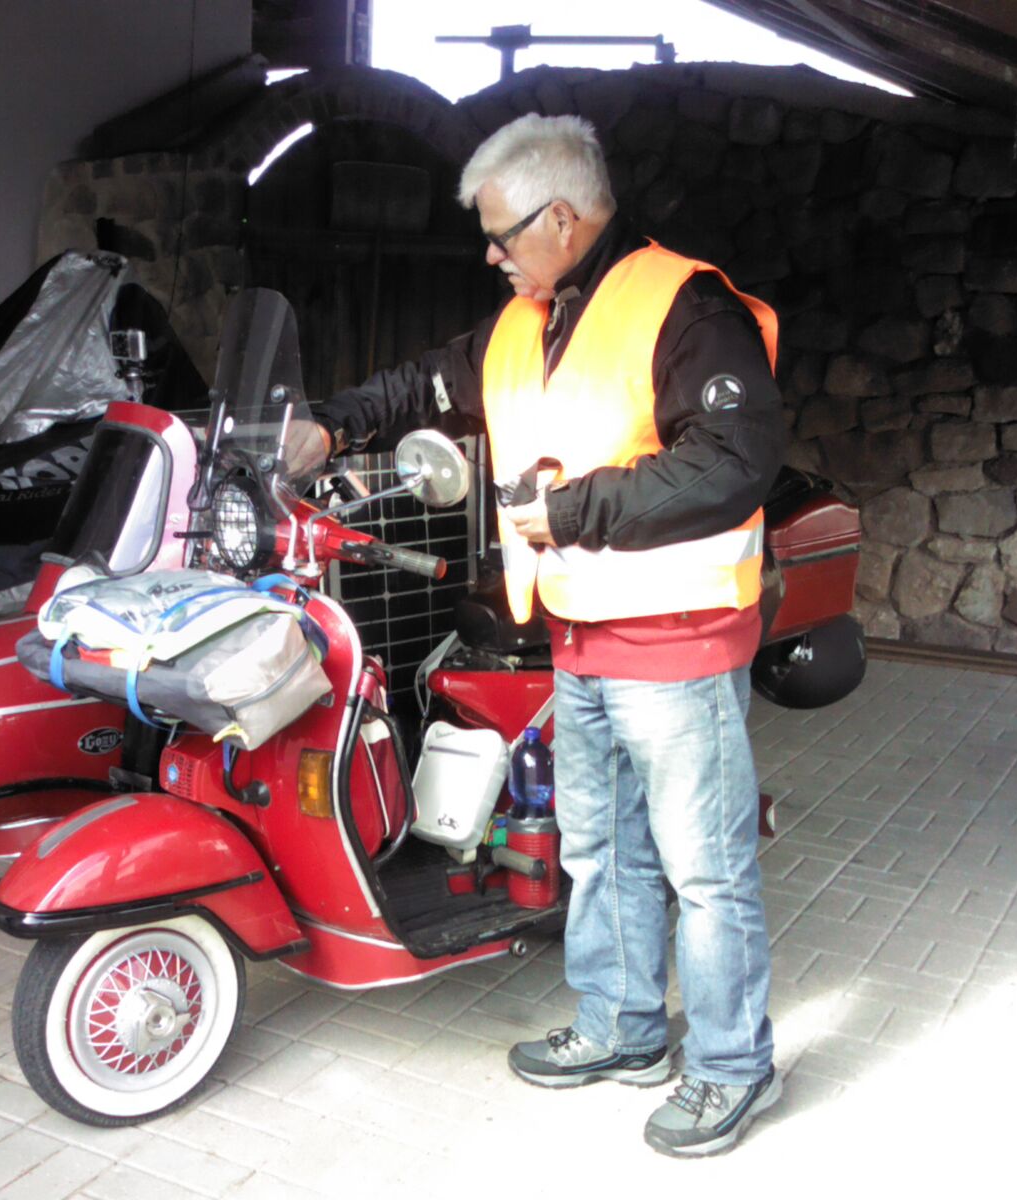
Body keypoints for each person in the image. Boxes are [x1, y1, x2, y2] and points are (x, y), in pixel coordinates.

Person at [313, 113, 786, 1158]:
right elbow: (433, 382)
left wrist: (572, 512)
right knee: (599, 848)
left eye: (500, 235)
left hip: (677, 639)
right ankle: (622, 1029)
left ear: (561, 218)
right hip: (578, 638)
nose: (490, 255)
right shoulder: (529, 320)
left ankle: (732, 1066)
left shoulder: (687, 306)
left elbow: (733, 460)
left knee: (703, 869)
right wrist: (333, 422)